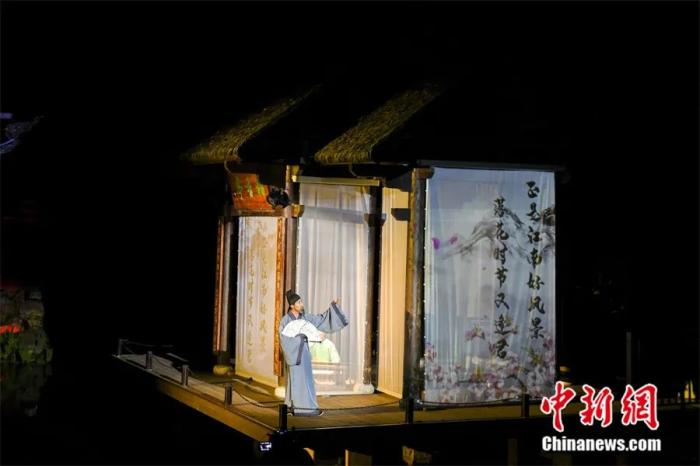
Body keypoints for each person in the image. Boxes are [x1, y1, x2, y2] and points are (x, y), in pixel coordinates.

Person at [278, 290, 348, 416]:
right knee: (295, 380)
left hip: (304, 352)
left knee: (306, 380)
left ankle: (299, 407)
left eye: (301, 301)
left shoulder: (306, 318)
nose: (302, 304)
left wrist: (334, 308)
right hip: (294, 352)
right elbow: (283, 337)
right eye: (299, 302)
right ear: (292, 306)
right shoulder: (285, 321)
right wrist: (299, 339)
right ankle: (299, 408)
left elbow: (322, 320)